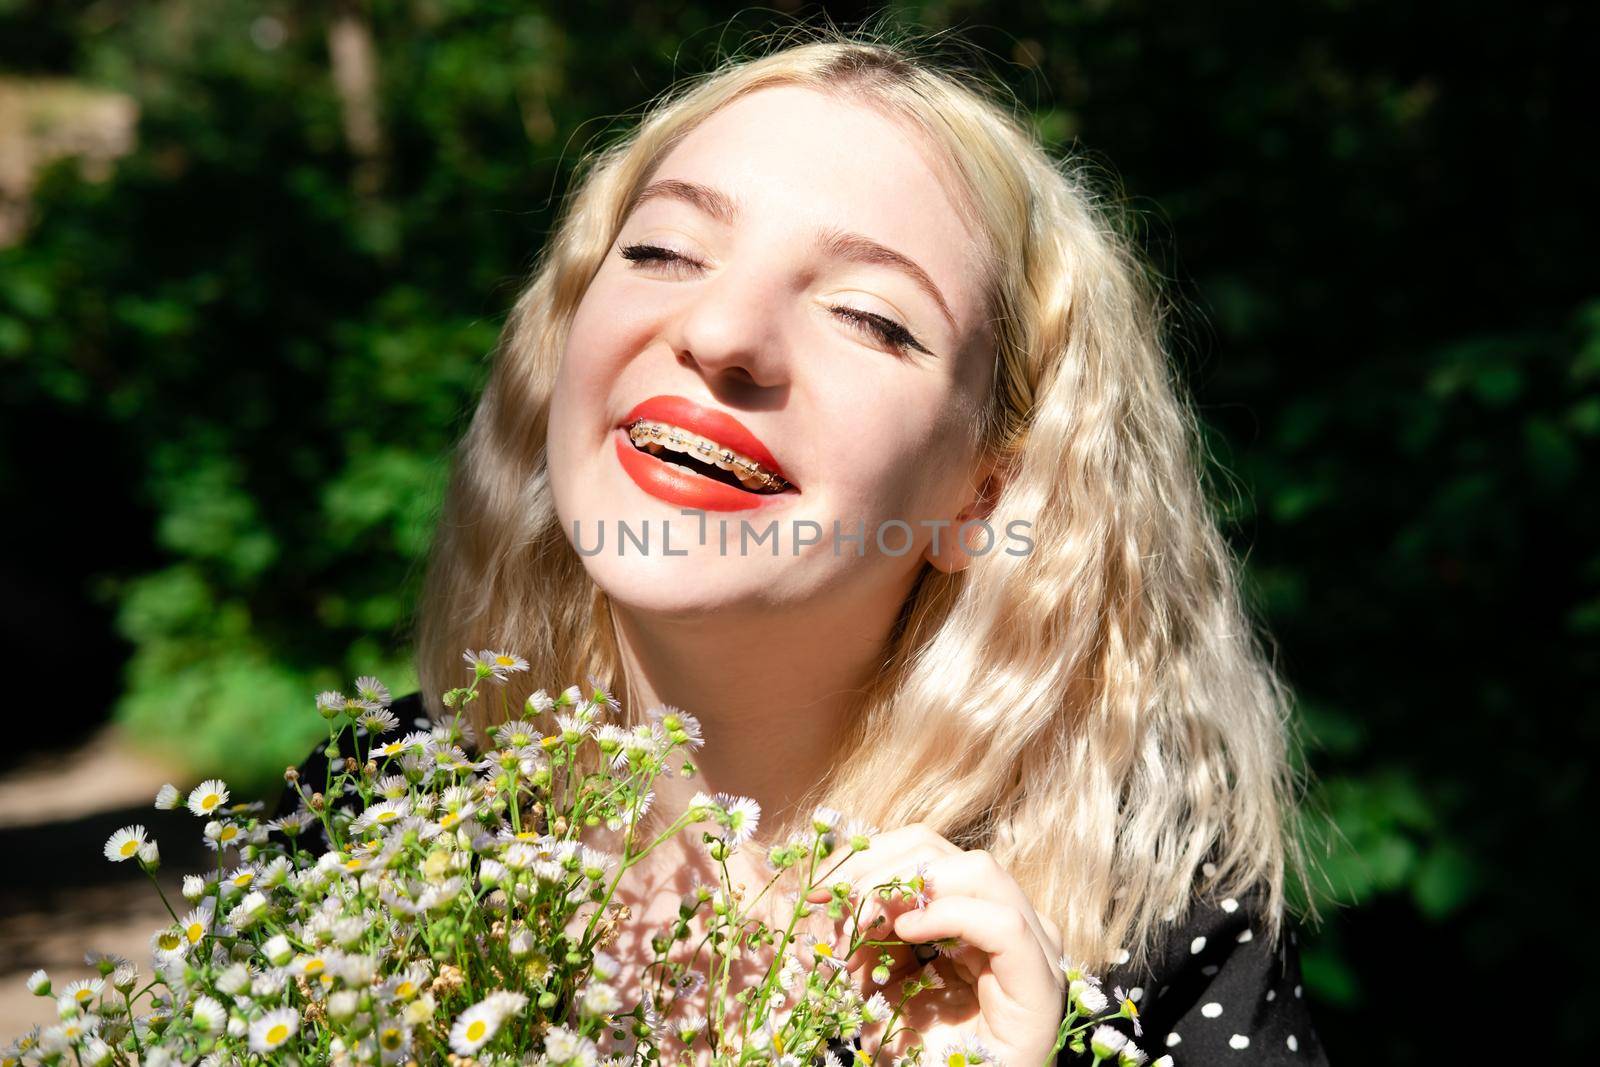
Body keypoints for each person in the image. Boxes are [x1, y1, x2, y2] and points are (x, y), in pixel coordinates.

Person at [281, 29, 1327, 1065]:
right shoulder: (370, 824)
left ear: (984, 492)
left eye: (869, 316)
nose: (725, 330)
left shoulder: (1144, 944)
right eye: (661, 250)